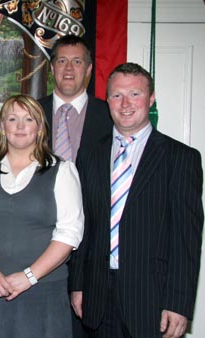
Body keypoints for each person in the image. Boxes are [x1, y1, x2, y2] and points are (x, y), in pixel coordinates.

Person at [68, 63, 204, 338]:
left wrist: (178, 303)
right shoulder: (90, 155)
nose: (125, 104)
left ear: (151, 98)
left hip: (152, 301)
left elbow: (186, 239)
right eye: (117, 95)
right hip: (97, 299)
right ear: (108, 100)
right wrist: (78, 284)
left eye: (135, 94)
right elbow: (85, 226)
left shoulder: (181, 158)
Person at [0, 94, 84, 337]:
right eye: (12, 119)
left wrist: (29, 277)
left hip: (41, 294)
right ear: (3, 127)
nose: (20, 126)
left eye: (29, 119)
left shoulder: (63, 171)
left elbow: (69, 234)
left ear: (40, 128)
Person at [39, 34, 112, 164]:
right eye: (62, 61)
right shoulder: (33, 112)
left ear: (88, 69)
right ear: (52, 68)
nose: (69, 68)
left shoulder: (109, 115)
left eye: (77, 61)